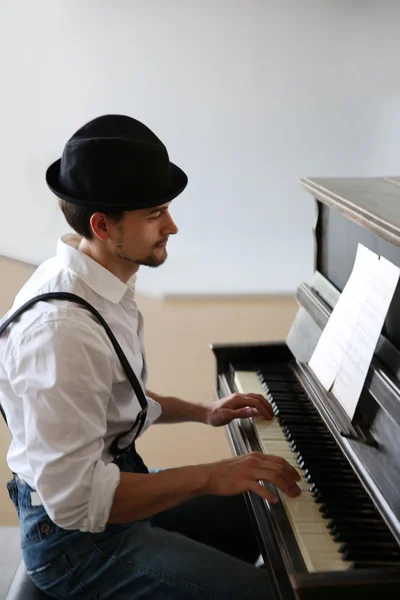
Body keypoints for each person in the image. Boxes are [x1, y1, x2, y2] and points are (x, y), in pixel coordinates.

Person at [0, 114, 301, 599]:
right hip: (75, 545)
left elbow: (112, 397)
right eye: (155, 214)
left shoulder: (99, 280)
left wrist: (203, 413)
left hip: (113, 488)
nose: (173, 226)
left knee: (262, 509)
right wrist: (212, 475)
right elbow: (77, 504)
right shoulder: (61, 332)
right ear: (103, 225)